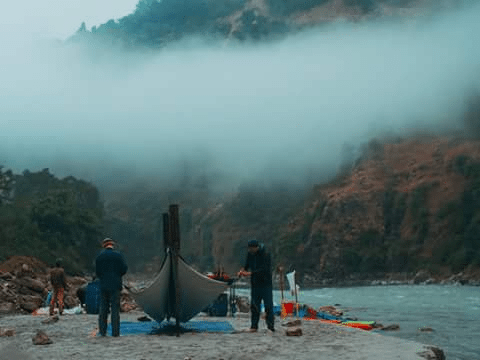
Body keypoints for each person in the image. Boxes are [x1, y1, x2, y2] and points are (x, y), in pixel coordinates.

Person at [238, 239, 274, 332]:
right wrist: (242, 270)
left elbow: (264, 269)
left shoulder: (266, 254)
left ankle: (270, 326)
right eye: (249, 249)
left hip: (266, 284)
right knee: (254, 306)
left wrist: (250, 273)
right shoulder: (250, 254)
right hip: (255, 284)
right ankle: (254, 326)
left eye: (251, 249)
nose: (250, 251)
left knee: (268, 306)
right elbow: (246, 265)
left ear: (256, 247)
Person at [95, 238, 128, 337]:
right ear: (112, 245)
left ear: (104, 245)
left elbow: (97, 272)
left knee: (103, 309)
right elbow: (124, 269)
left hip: (104, 285)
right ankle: (115, 332)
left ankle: (102, 332)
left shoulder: (100, 257)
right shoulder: (118, 255)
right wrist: (117, 275)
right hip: (115, 285)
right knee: (115, 309)